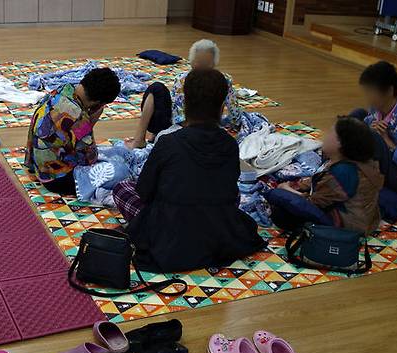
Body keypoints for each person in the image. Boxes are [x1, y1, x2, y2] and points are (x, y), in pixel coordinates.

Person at [112, 69, 266, 273]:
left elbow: (144, 191)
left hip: (172, 235)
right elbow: (230, 193)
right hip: (217, 231)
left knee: (122, 189)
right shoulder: (230, 144)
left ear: (184, 105)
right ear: (221, 108)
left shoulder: (168, 142)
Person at [267, 116, 383, 235]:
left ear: (340, 143)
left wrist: (287, 190)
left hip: (348, 226)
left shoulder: (343, 172)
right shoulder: (359, 161)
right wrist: (297, 185)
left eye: (330, 134)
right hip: (363, 219)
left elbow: (314, 202)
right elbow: (319, 181)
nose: (325, 137)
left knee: (276, 198)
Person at [126, 39, 242, 148]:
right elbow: (234, 113)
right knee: (156, 89)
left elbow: (177, 114)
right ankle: (142, 139)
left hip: (187, 129)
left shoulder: (184, 79)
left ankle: (140, 139)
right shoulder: (223, 79)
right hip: (206, 127)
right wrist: (234, 125)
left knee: (156, 89)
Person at [24, 67, 121, 195]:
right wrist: (90, 123)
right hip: (56, 180)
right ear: (98, 103)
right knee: (119, 171)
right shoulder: (79, 118)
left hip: (35, 163)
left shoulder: (62, 90)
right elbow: (89, 159)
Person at [350, 61, 397, 195]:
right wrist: (371, 127)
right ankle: (346, 160)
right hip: (380, 162)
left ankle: (349, 165)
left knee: (371, 138)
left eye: (371, 92)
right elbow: (368, 121)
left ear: (390, 91)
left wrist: (388, 142)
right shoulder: (377, 107)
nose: (367, 97)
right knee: (357, 115)